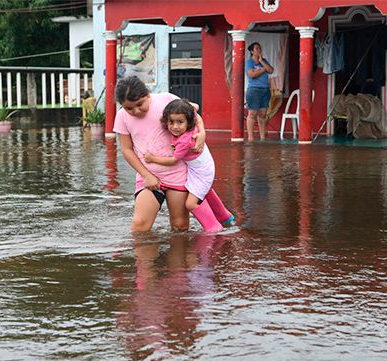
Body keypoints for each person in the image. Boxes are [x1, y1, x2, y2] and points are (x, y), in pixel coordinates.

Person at [113, 76, 206, 232]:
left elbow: (194, 117)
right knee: (140, 225)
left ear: (148, 94)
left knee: (180, 226)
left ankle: (178, 255)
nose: (135, 111)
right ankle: (144, 256)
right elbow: (127, 150)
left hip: (177, 175)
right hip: (148, 176)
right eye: (129, 108)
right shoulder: (122, 116)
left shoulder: (166, 100)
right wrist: (146, 175)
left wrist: (202, 133)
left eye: (140, 104)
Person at [144, 99, 235, 233]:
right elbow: (195, 110)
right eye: (171, 122)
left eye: (180, 122)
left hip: (202, 171)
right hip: (201, 166)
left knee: (191, 203)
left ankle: (214, 228)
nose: (175, 127)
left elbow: (173, 160)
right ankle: (225, 217)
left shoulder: (185, 140)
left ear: (188, 122)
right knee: (204, 191)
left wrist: (152, 158)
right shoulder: (188, 123)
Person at [245, 42, 274, 141]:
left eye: (260, 48)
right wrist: (262, 69)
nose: (259, 50)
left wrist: (262, 62)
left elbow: (270, 70)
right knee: (252, 113)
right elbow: (252, 75)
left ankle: (262, 137)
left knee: (262, 114)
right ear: (252, 51)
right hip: (254, 90)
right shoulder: (249, 62)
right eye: (257, 48)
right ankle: (250, 137)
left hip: (265, 89)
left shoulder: (264, 61)